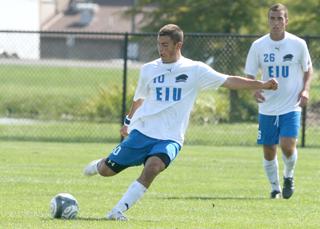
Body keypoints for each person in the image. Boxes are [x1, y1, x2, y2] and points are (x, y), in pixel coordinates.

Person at [84, 24, 278, 221]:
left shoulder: (195, 69)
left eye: (166, 45)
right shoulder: (148, 69)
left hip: (171, 138)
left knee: (153, 167)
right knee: (107, 171)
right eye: (159, 44)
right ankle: (98, 165)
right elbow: (139, 99)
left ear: (179, 45)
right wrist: (128, 122)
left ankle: (117, 211)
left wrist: (262, 84)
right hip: (142, 132)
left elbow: (229, 81)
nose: (161, 49)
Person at [245, 3, 313, 199]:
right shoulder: (258, 46)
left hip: (291, 105)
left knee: (287, 144)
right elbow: (250, 74)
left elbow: (308, 69)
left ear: (286, 21)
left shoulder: (298, 44)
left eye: (279, 18)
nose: (276, 22)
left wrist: (306, 90)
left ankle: (288, 176)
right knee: (268, 149)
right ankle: (275, 188)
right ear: (268, 21)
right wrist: (255, 89)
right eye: (272, 18)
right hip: (267, 106)